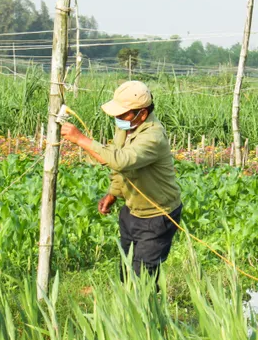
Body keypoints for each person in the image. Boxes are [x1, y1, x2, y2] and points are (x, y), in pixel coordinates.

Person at [60, 81, 182, 285]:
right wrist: (113, 193)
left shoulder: (153, 136)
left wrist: (81, 139)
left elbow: (121, 160)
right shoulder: (126, 128)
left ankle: (146, 305)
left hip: (158, 215)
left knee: (142, 276)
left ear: (142, 113)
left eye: (123, 114)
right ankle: (128, 303)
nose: (117, 119)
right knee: (127, 268)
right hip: (132, 211)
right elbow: (119, 167)